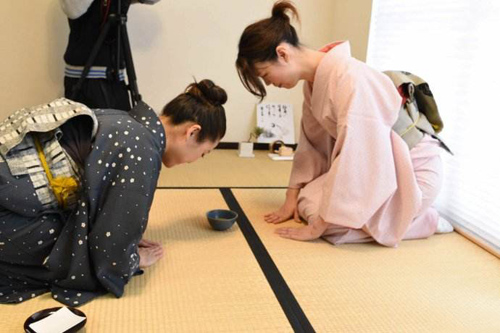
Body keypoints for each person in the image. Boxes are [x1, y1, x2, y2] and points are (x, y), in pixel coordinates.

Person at [235, 1, 453, 246]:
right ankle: (388, 217)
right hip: (380, 168)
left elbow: (358, 158)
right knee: (307, 201)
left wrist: (320, 225)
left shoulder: (351, 78)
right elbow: (312, 146)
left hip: (412, 172)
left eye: (265, 75)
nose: (270, 84)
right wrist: (291, 197)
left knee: (331, 225)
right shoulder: (313, 83)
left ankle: (423, 220)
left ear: (282, 54)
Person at [0, 79, 227, 305]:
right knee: (71, 255)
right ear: (192, 133)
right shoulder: (142, 148)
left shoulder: (124, 121)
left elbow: (104, 210)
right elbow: (109, 248)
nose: (197, 160)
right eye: (204, 153)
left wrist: (125, 239)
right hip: (9, 223)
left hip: (9, 198)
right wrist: (132, 258)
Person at [59, 0, 160, 111]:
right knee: (91, 127)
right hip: (84, 76)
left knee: (124, 126)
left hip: (116, 75)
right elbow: (73, 10)